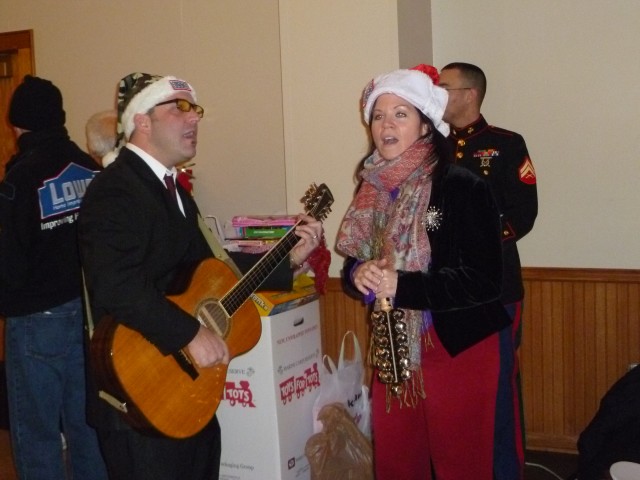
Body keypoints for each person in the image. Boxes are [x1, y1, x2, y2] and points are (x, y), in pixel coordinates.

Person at [78, 72, 324, 480]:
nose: (193, 120)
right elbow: (115, 284)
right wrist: (189, 335)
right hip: (140, 391)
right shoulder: (114, 190)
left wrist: (287, 261)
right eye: (178, 109)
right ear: (142, 121)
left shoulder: (173, 190)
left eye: (195, 110)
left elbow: (207, 272)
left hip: (186, 393)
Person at [336, 64, 517, 479]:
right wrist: (358, 274)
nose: (387, 124)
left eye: (401, 113)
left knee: (462, 465)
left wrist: (403, 285)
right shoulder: (371, 188)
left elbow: (484, 280)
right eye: (379, 115)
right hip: (395, 348)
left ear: (423, 126)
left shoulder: (462, 186)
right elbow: (352, 266)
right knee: (398, 462)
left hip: (458, 347)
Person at [0, 75, 108, 479]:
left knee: (36, 434)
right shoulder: (89, 167)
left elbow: (11, 262)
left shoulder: (19, 179)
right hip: (86, 316)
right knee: (86, 428)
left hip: (35, 322)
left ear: (18, 124)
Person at [439, 62, 538, 476]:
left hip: (495, 288)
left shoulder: (506, 144)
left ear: (468, 94)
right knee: (451, 393)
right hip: (441, 289)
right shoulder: (429, 146)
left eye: (443, 86)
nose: (437, 93)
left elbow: (523, 214)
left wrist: (472, 242)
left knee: (498, 390)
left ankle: (505, 470)